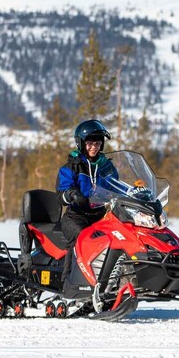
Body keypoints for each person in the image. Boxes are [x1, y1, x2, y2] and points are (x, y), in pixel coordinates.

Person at [56, 119, 118, 280]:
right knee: (83, 237)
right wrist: (72, 194)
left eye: (97, 143)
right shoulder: (71, 167)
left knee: (118, 238)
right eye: (90, 143)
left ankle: (110, 281)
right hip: (76, 216)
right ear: (81, 143)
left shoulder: (107, 167)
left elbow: (117, 187)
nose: (94, 147)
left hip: (101, 216)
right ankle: (69, 282)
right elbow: (62, 192)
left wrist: (133, 192)